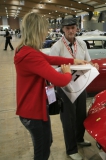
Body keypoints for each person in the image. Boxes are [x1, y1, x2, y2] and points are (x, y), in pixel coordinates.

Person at [14, 13, 87, 160]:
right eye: (44, 30)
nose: (46, 33)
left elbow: (50, 59)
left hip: (35, 107)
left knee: (47, 142)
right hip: (33, 111)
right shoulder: (30, 55)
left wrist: (73, 60)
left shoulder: (27, 50)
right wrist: (67, 72)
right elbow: (59, 80)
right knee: (42, 153)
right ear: (37, 31)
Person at [50, 18, 99, 160]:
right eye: (68, 28)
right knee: (68, 119)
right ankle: (71, 149)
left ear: (77, 28)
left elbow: (88, 60)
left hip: (81, 85)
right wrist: (65, 70)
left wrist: (93, 65)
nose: (71, 30)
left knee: (80, 115)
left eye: (73, 28)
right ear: (63, 30)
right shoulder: (57, 47)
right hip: (65, 88)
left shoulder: (82, 44)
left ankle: (79, 139)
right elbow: (52, 69)